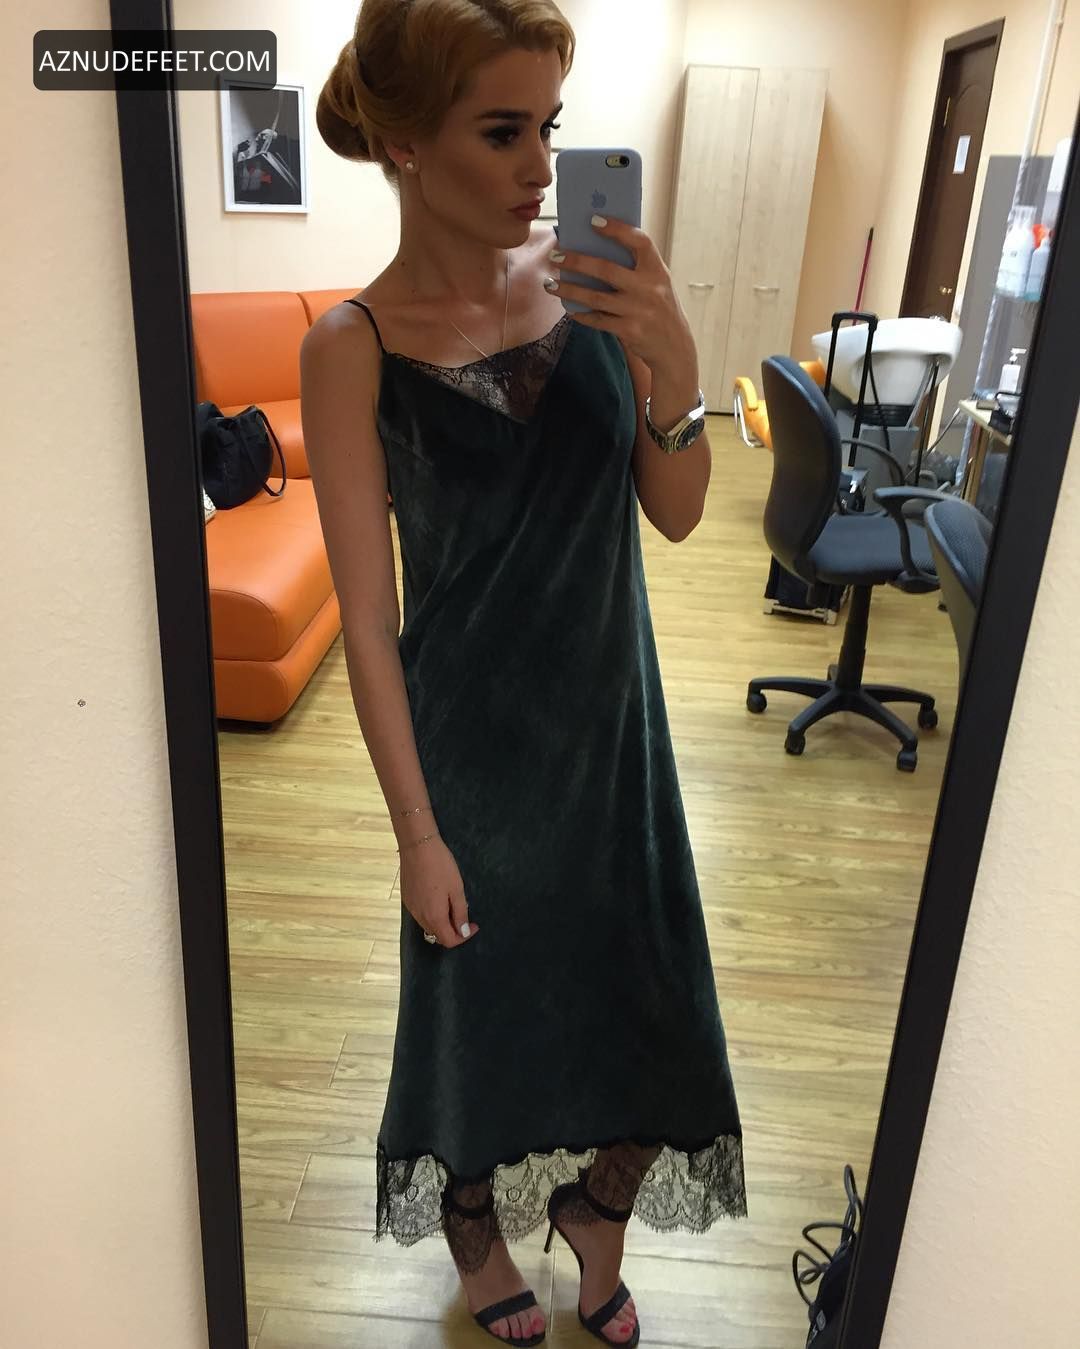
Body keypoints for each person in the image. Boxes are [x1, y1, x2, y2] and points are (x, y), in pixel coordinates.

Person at [304, 2, 747, 1344]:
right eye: (502, 132)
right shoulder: (352, 348)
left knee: (650, 1000)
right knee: (478, 1017)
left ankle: (597, 1213)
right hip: (472, 763)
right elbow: (369, 623)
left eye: (549, 127)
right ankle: (474, 1227)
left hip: (615, 740)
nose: (542, 167)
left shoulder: (596, 290)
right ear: (403, 141)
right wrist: (416, 832)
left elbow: (678, 512)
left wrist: (674, 365)